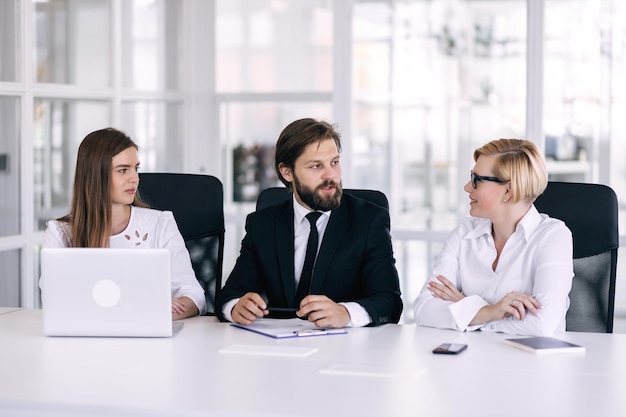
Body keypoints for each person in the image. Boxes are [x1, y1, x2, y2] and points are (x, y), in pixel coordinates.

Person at [215, 118, 403, 328]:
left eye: (334, 162)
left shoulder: (368, 220)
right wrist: (235, 308)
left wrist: (345, 313)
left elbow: (390, 303)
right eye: (316, 166)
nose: (330, 175)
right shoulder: (263, 225)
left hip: (346, 349)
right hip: (278, 347)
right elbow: (228, 296)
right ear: (287, 172)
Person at [413, 138, 573, 336]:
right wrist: (490, 311)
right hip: (469, 359)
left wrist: (467, 310)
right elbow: (423, 309)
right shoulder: (464, 233)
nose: (467, 187)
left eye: (476, 180)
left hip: (531, 362)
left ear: (508, 190)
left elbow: (541, 324)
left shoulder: (554, 237)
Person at [42, 127, 206, 320]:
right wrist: (146, 304)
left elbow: (194, 296)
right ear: (95, 175)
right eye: (123, 170)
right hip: (85, 340)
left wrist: (159, 312)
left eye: (136, 168)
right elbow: (56, 301)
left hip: (149, 341)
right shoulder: (59, 233)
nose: (134, 178)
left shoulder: (160, 223)